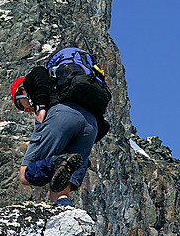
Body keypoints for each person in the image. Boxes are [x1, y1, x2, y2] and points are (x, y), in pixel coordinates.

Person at [11, 47, 111, 207]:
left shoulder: (31, 85)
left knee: (25, 174)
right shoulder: (87, 86)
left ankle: (56, 162)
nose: (25, 110)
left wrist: (41, 105)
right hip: (91, 125)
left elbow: (39, 72)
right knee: (59, 188)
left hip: (62, 114)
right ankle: (66, 211)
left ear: (21, 90)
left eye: (20, 104)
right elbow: (104, 126)